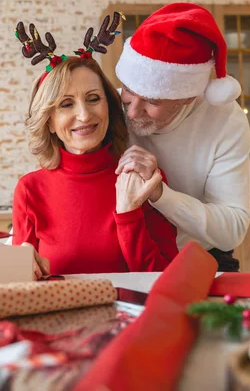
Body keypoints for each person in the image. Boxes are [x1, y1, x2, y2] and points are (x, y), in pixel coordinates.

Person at [10, 16, 179, 279]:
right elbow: (21, 287)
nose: (85, 115)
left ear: (109, 107)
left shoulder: (141, 178)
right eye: (66, 104)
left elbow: (169, 279)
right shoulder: (30, 190)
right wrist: (22, 269)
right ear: (50, 122)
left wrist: (128, 214)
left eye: (93, 99)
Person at [114, 2, 250, 272]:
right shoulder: (109, 106)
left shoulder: (225, 120)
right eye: (128, 90)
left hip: (198, 258)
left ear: (188, 96)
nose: (131, 112)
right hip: (125, 253)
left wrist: (160, 194)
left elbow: (232, 229)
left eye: (152, 100)